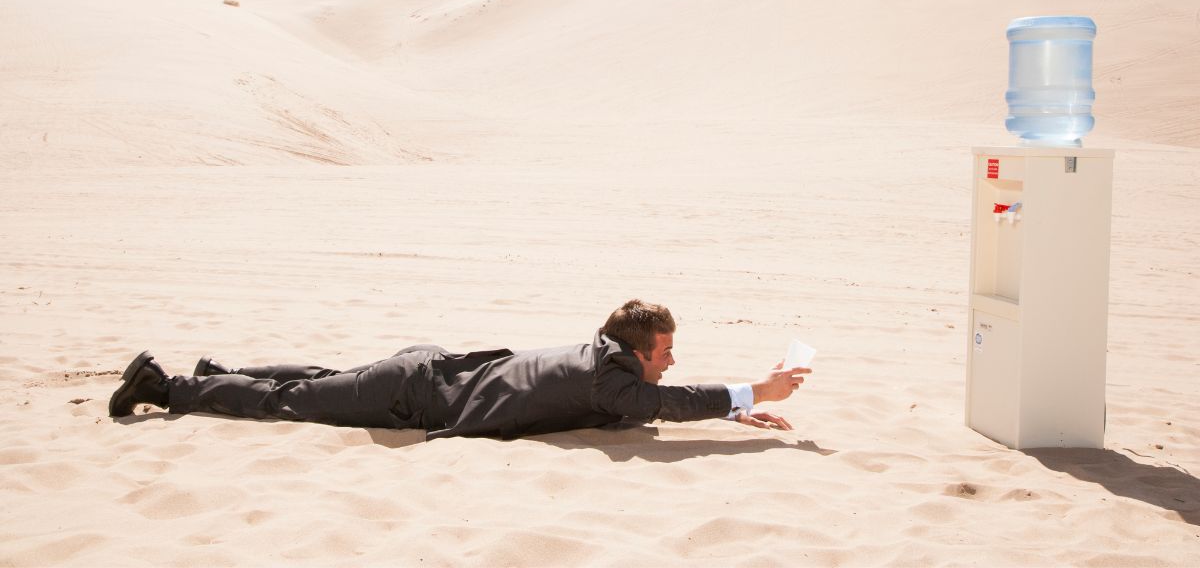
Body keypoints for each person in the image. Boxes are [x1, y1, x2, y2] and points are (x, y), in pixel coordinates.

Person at [108, 299, 811, 440]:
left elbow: (651, 399)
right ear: (636, 351)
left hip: (433, 372)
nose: (672, 359)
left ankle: (222, 370)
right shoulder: (610, 376)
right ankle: (168, 386)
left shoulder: (607, 363)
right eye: (665, 350)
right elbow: (664, 402)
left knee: (318, 380)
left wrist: (735, 408)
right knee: (296, 402)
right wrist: (752, 388)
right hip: (417, 395)